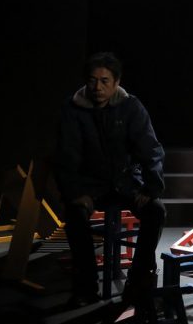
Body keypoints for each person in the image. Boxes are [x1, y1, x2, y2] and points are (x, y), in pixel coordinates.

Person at [55, 51, 166, 310]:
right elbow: (66, 156)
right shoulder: (73, 109)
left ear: (116, 82)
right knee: (74, 215)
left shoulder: (130, 106)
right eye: (93, 80)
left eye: (105, 81)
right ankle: (85, 286)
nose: (98, 87)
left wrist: (151, 187)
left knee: (156, 211)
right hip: (90, 186)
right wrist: (75, 192)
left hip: (126, 182)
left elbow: (150, 149)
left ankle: (137, 281)